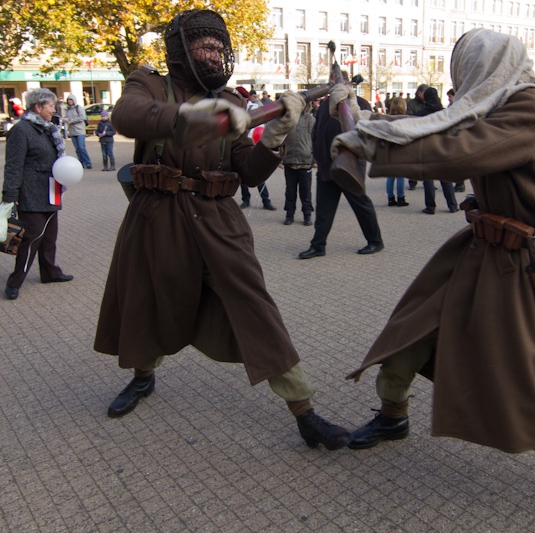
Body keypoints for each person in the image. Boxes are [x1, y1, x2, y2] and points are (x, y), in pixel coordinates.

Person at [330, 29, 535, 531]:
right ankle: (393, 416)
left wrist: (370, 144)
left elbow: (454, 151)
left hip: (516, 271)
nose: (462, 84)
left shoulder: (528, 110)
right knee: (406, 335)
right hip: (478, 253)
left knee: (505, 396)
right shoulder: (500, 102)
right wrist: (367, 121)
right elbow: (435, 125)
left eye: (465, 70)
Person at [93, 9, 351, 451]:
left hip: (218, 222)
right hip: (159, 218)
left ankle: (305, 412)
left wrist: (274, 137)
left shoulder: (232, 101)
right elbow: (128, 116)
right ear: (180, 49)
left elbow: (247, 174)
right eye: (203, 45)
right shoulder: (150, 83)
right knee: (149, 302)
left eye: (218, 46)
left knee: (256, 308)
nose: (213, 54)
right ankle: (142, 377)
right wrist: (189, 118)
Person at [2, 88, 73, 300]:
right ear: (38, 107)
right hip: (31, 192)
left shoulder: (47, 129)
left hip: (51, 190)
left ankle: (50, 272)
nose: (54, 109)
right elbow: (13, 165)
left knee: (49, 237)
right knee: (31, 239)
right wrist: (10, 194)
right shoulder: (21, 130)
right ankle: (15, 281)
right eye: (50, 106)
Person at [296, 88, 384, 259]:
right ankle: (318, 245)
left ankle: (375, 241)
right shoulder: (324, 105)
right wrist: (317, 154)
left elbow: (368, 132)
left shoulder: (359, 103)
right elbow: (317, 131)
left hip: (350, 167)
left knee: (361, 204)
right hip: (326, 166)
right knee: (323, 209)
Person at [417, 88, 458, 215]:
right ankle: (452, 205)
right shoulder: (445, 113)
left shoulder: (420, 114)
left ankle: (430, 206)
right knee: (445, 178)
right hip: (442, 147)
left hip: (426, 148)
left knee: (428, 180)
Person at [281, 102, 315, 226]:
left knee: (305, 192)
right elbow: (280, 139)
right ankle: (289, 215)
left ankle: (307, 215)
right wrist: (279, 159)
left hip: (305, 161)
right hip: (289, 161)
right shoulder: (287, 119)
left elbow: (316, 139)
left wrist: (315, 160)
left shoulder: (310, 119)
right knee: (290, 191)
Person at [385, 98, 409, 206]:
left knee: (390, 176)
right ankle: (401, 198)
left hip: (389, 149)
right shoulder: (405, 119)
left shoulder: (387, 118)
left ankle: (390, 198)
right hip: (401, 149)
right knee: (400, 176)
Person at [64, 94, 92, 169]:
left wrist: (72, 121)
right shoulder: (68, 109)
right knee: (77, 149)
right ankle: (81, 163)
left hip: (80, 130)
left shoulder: (79, 108)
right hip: (72, 131)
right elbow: (65, 117)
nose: (69, 101)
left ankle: (88, 163)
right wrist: (65, 119)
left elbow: (82, 117)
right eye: (68, 100)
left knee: (82, 148)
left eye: (71, 100)